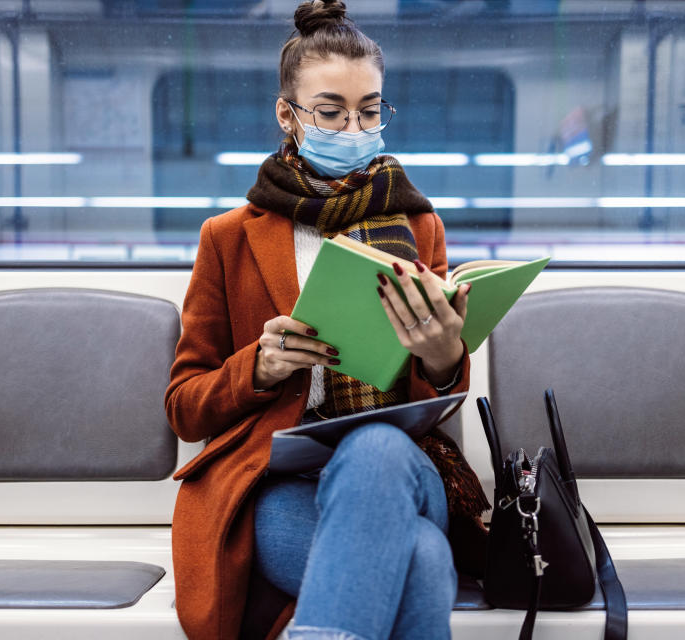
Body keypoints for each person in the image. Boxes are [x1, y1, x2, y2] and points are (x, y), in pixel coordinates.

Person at [164, 2, 488, 639]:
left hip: (405, 463)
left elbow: (438, 394)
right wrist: (256, 368)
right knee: (420, 562)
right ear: (288, 115)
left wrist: (445, 355)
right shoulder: (229, 238)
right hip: (283, 480)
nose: (354, 126)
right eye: (332, 111)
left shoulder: (420, 225)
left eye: (369, 110)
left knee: (374, 445)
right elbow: (184, 406)